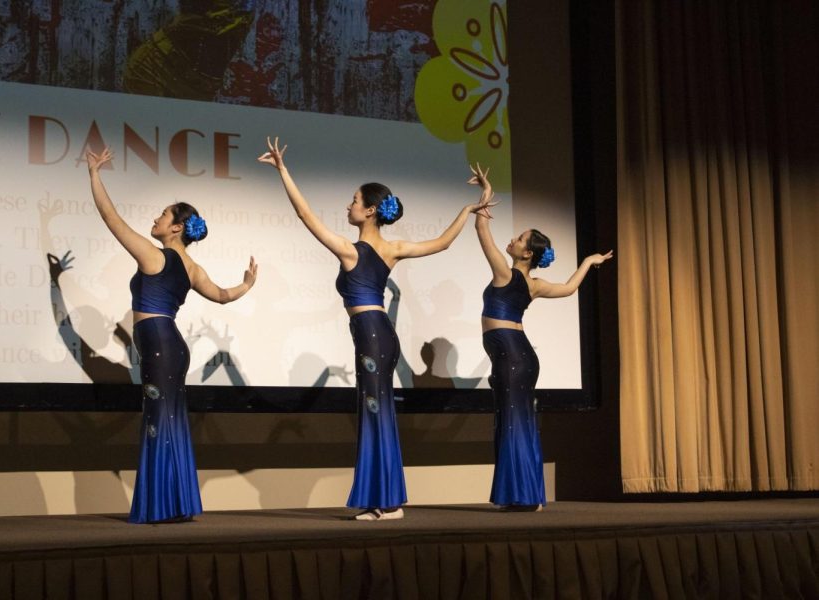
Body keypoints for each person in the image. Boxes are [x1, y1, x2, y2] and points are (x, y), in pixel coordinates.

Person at [258, 138, 494, 520]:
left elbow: (306, 217)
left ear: (369, 211)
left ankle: (386, 501)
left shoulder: (354, 251)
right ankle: (385, 499)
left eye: (353, 201)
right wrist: (469, 207)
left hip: (372, 332)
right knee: (376, 411)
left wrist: (283, 171)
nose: (347, 206)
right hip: (377, 332)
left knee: (374, 411)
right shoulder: (392, 248)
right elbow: (445, 243)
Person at [86, 147, 257, 523]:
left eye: (162, 215)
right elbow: (223, 297)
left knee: (158, 419)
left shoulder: (154, 256)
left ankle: (161, 507)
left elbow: (110, 218)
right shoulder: (192, 267)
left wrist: (95, 174)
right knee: (170, 420)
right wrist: (246, 284)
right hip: (170, 345)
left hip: (161, 344)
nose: (156, 218)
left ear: (177, 227)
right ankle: (173, 503)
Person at [473, 188, 612, 510]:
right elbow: (568, 287)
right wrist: (588, 262)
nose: (513, 240)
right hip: (516, 356)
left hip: (513, 356)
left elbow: (482, 232)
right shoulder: (532, 284)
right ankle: (522, 494)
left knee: (513, 422)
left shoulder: (507, 274)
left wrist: (485, 197)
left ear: (527, 255)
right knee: (513, 421)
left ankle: (524, 495)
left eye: (520, 239)